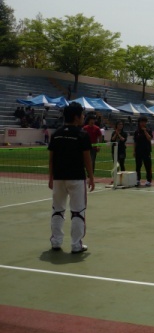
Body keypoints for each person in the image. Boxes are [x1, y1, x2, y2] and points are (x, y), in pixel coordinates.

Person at [48, 102, 95, 254]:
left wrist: (50, 177)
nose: (83, 117)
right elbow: (87, 158)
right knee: (78, 211)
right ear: (76, 117)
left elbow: (51, 159)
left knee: (57, 210)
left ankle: (56, 241)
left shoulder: (56, 134)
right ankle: (76, 245)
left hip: (58, 178)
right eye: (82, 115)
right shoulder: (82, 134)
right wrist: (91, 177)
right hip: (76, 178)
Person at [133, 116, 153, 187]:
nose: (142, 123)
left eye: (144, 122)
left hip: (146, 151)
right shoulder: (136, 132)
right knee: (138, 166)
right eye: (141, 122)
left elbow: (149, 138)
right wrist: (134, 151)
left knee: (148, 166)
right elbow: (135, 142)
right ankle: (137, 180)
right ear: (139, 123)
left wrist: (145, 131)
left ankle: (148, 181)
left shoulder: (148, 130)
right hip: (138, 151)